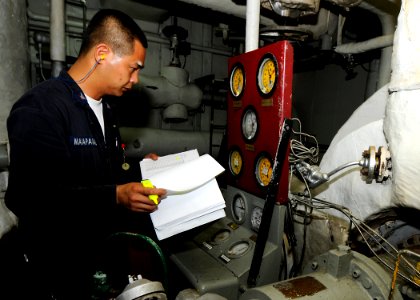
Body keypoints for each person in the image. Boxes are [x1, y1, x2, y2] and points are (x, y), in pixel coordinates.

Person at [5, 9, 166, 299]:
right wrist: (115, 195)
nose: (137, 79)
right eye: (133, 67)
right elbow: (29, 197)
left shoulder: (105, 110)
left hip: (96, 261)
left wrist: (141, 170)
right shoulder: (41, 107)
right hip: (53, 272)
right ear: (102, 53)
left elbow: (103, 173)